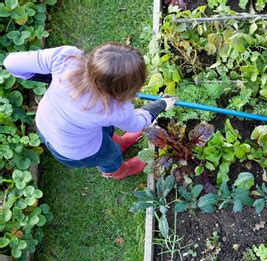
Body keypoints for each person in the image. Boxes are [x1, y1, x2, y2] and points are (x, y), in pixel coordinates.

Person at [3, 43, 178, 180]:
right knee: (109, 156)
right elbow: (137, 124)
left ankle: (120, 143)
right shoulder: (115, 108)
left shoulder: (65, 58)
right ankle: (121, 171)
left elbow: (10, 63)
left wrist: (50, 77)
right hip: (74, 149)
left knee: (104, 131)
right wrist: (161, 104)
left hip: (47, 123)